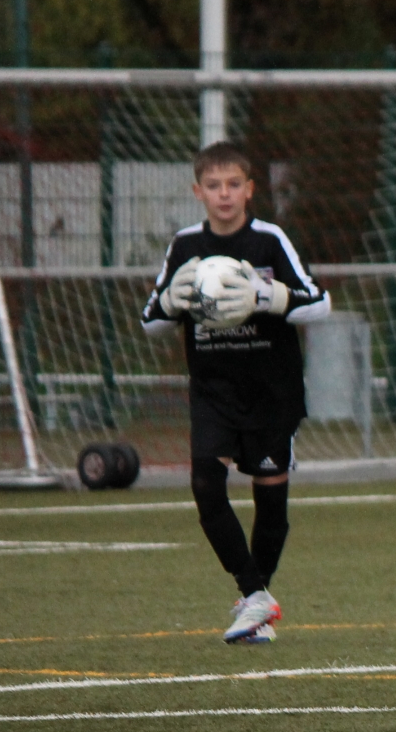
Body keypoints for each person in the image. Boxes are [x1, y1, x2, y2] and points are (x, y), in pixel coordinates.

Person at [141, 142, 330, 644]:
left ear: (249, 190)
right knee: (206, 485)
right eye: (213, 186)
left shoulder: (269, 240)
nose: (223, 194)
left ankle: (255, 608)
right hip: (214, 391)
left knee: (271, 507)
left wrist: (268, 296)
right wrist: (170, 301)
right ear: (197, 192)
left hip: (271, 392)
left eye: (232, 185)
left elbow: (319, 303)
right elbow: (151, 321)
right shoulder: (185, 245)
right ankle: (254, 595)